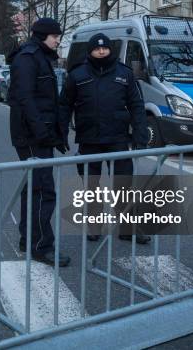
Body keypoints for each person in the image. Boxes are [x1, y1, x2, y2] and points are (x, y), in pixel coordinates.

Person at [59, 33, 150, 244]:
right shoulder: (77, 74)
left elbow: (137, 105)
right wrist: (61, 133)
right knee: (92, 188)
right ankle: (94, 227)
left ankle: (128, 229)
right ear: (90, 51)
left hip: (118, 139)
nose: (101, 51)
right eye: (96, 48)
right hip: (89, 139)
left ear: (111, 50)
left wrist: (140, 134)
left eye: (105, 48)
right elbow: (64, 106)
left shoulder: (125, 74)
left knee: (123, 185)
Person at [8, 17, 71, 267]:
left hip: (38, 134)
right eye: (55, 36)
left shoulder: (40, 57)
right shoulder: (28, 58)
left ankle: (29, 239)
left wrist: (56, 135)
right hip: (32, 136)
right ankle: (41, 246)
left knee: (34, 187)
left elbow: (47, 101)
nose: (58, 40)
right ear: (44, 35)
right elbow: (26, 100)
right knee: (43, 190)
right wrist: (42, 133)